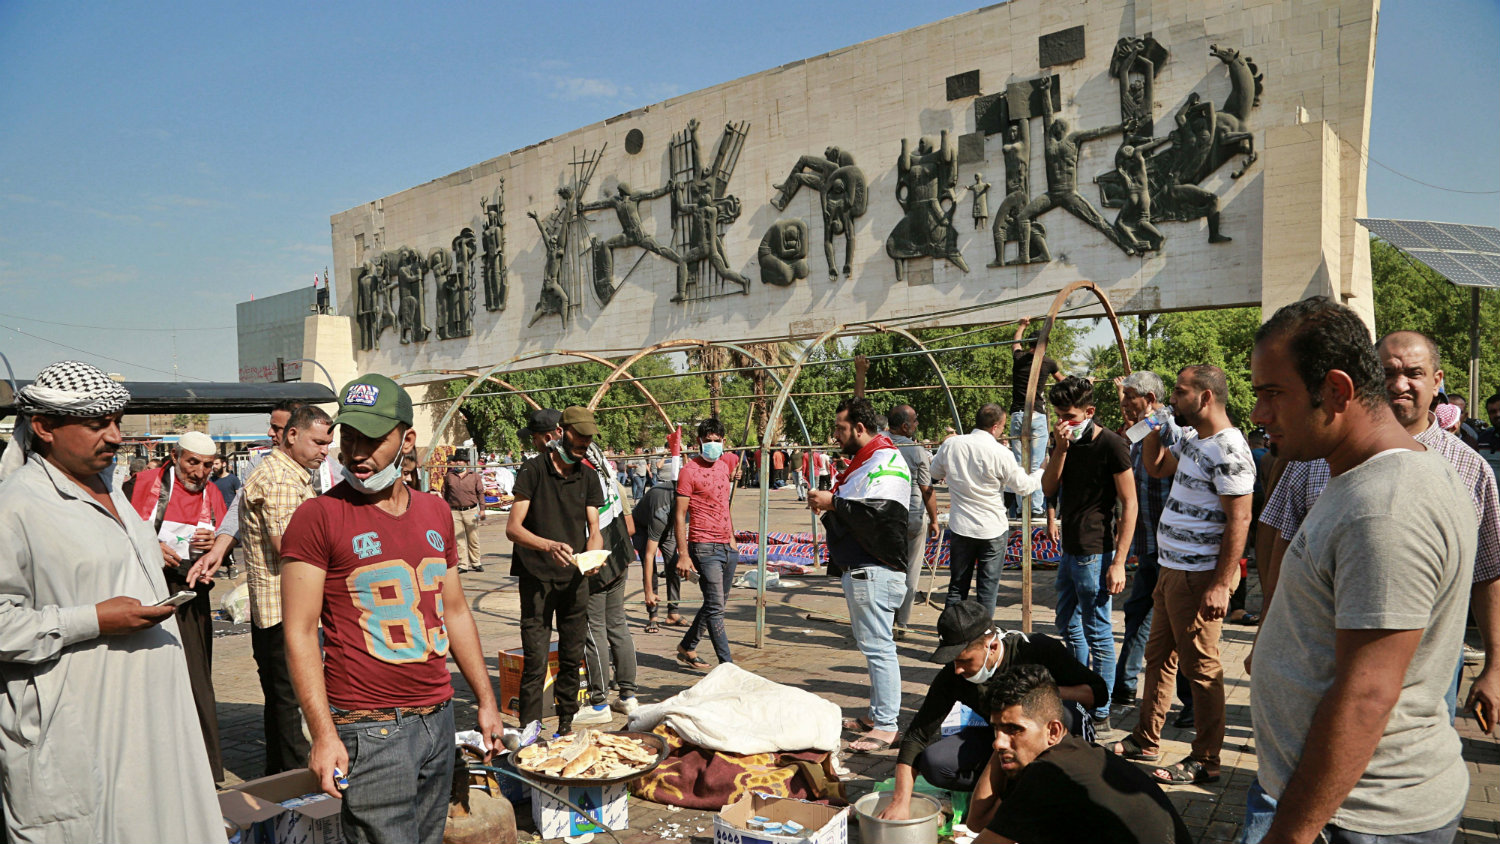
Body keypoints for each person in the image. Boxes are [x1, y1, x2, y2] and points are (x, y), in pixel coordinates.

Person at [1241, 299, 1475, 843]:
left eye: (1273, 393)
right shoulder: (1364, 480)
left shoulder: (1386, 507)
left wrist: (1290, 834)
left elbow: (1367, 696)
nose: (1258, 413)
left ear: (1336, 391)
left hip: (1360, 819)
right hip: (1339, 809)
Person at [0, 361, 223, 843]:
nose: (116, 437)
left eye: (117, 422)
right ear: (44, 427)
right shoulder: (15, 504)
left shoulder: (111, 489)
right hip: (80, 727)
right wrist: (94, 620)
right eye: (98, 424)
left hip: (154, 722)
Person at [282, 375, 503, 844]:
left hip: (439, 718)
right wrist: (323, 734)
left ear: (406, 440)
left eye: (372, 439)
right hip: (370, 729)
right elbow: (299, 632)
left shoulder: (435, 511)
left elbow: (455, 611)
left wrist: (486, 701)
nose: (357, 453)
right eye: (348, 437)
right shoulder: (318, 516)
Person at [1114, 365, 1253, 787]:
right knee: (1159, 658)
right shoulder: (1194, 439)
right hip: (1171, 570)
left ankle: (1206, 760)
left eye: (1179, 391)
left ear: (1205, 397)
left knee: (1201, 669)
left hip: (1198, 577)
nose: (1172, 399)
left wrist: (1220, 585)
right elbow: (1158, 468)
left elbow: (1240, 519)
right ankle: (1146, 739)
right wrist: (1150, 430)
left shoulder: (1229, 449)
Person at [878, 600, 1106, 823]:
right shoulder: (954, 676)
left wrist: (1042, 694)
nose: (958, 669)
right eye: (954, 661)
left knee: (1065, 713)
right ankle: (1007, 790)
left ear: (992, 647)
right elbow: (917, 735)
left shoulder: (1036, 649)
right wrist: (900, 801)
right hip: (1001, 742)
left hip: (1049, 742)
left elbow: (1098, 693)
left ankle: (1055, 787)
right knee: (935, 762)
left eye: (965, 660)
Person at [972, 666, 1192, 844]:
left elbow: (979, 827)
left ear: (1053, 731)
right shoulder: (1076, 751)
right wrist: (1006, 745)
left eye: (1014, 729)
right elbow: (979, 822)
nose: (997, 742)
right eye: (996, 729)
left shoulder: (1048, 774)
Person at [807, 397, 910, 753]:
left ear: (860, 428)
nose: (835, 436)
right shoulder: (870, 461)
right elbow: (860, 515)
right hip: (868, 570)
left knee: (879, 648)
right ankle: (878, 715)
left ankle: (886, 726)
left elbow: (877, 516)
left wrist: (832, 502)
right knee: (874, 647)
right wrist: (830, 505)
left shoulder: (883, 460)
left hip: (875, 571)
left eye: (840, 429)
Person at [128, 429, 230, 781]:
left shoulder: (212, 492)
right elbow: (116, 530)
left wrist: (215, 542)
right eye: (192, 463)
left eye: (207, 465)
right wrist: (149, 546)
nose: (199, 472)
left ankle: (204, 768)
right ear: (175, 457)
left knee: (196, 677)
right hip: (146, 590)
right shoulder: (143, 484)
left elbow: (225, 538)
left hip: (191, 594)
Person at [239, 403, 333, 775]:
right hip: (284, 611)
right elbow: (289, 548)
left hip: (286, 609)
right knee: (293, 703)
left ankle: (280, 778)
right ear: (292, 435)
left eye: (328, 443)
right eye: (318, 442)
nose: (325, 451)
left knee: (283, 702)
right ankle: (298, 785)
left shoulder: (291, 474)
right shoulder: (279, 478)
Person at [1040, 376, 1136, 728]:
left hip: (1095, 550)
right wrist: (1060, 449)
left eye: (1070, 416)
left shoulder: (1111, 444)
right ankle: (1080, 690)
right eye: (1058, 416)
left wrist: (1119, 562)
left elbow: (1130, 503)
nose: (1064, 423)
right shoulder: (1063, 442)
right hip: (1070, 547)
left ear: (1090, 412)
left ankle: (1101, 709)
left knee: (1097, 630)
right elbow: (1048, 487)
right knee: (1067, 622)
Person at [505, 407, 604, 734]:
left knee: (571, 656)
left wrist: (593, 554)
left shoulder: (588, 475)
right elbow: (513, 528)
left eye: (588, 440)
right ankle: (529, 730)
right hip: (536, 580)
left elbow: (594, 528)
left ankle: (565, 724)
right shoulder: (532, 470)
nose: (584, 445)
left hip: (575, 581)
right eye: (579, 438)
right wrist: (548, 546)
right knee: (535, 660)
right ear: (561, 433)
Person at [1111, 371, 1193, 723]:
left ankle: (1192, 701)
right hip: (1149, 545)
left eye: (1130, 396)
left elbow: (1174, 452)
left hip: (1172, 549)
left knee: (1177, 624)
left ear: (1148, 398)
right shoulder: (1140, 430)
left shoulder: (1171, 428)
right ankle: (1124, 687)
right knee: (1138, 613)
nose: (1125, 402)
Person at [931, 403, 1045, 614]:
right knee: (987, 590)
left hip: (961, 527)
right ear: (995, 427)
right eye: (1003, 426)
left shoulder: (952, 445)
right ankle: (983, 632)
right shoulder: (1000, 452)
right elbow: (1024, 487)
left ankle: (951, 631)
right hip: (992, 529)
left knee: (957, 587)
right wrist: (1041, 471)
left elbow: (934, 473)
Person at [577, 437, 641, 724]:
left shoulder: (581, 477)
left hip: (598, 561)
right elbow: (629, 525)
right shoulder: (607, 473)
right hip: (619, 554)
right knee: (617, 623)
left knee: (594, 629)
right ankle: (628, 696)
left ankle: (599, 702)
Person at [675, 418, 741, 670]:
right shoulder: (689, 471)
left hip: (727, 546)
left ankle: (687, 646)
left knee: (716, 603)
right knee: (715, 608)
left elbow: (724, 505)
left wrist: (732, 539)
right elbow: (679, 515)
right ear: (699, 442)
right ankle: (727, 667)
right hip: (703, 547)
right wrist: (683, 554)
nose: (713, 444)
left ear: (723, 442)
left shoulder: (724, 466)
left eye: (717, 440)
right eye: (708, 440)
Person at [890, 404, 939, 640]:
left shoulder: (880, 443)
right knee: (910, 572)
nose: (917, 424)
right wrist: (935, 519)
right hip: (912, 515)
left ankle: (885, 619)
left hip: (886, 517)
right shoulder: (915, 450)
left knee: (888, 569)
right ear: (904, 426)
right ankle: (901, 623)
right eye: (915, 421)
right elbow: (926, 489)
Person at [1009, 318, 1065, 519]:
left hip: (1018, 415)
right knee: (1037, 463)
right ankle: (1036, 507)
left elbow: (1015, 343)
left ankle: (1021, 507)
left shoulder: (1019, 358)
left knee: (1019, 464)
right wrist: (1085, 382)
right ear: (1044, 345)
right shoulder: (1048, 363)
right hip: (1036, 415)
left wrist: (1022, 326)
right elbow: (1063, 381)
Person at [634, 461, 683, 632]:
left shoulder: (689, 499)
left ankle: (673, 612)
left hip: (668, 526)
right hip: (643, 527)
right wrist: (648, 592)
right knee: (651, 568)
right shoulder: (661, 509)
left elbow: (682, 531)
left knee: (674, 564)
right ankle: (653, 614)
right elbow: (649, 555)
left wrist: (685, 557)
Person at [443, 453, 487, 573]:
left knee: (473, 538)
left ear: (467, 462)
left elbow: (480, 493)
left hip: (471, 511)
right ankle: (463, 564)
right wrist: (445, 509)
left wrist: (482, 509)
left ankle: (476, 562)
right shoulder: (449, 476)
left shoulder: (474, 476)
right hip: (454, 511)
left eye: (461, 460)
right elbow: (445, 493)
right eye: (457, 460)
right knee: (459, 539)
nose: (459, 463)